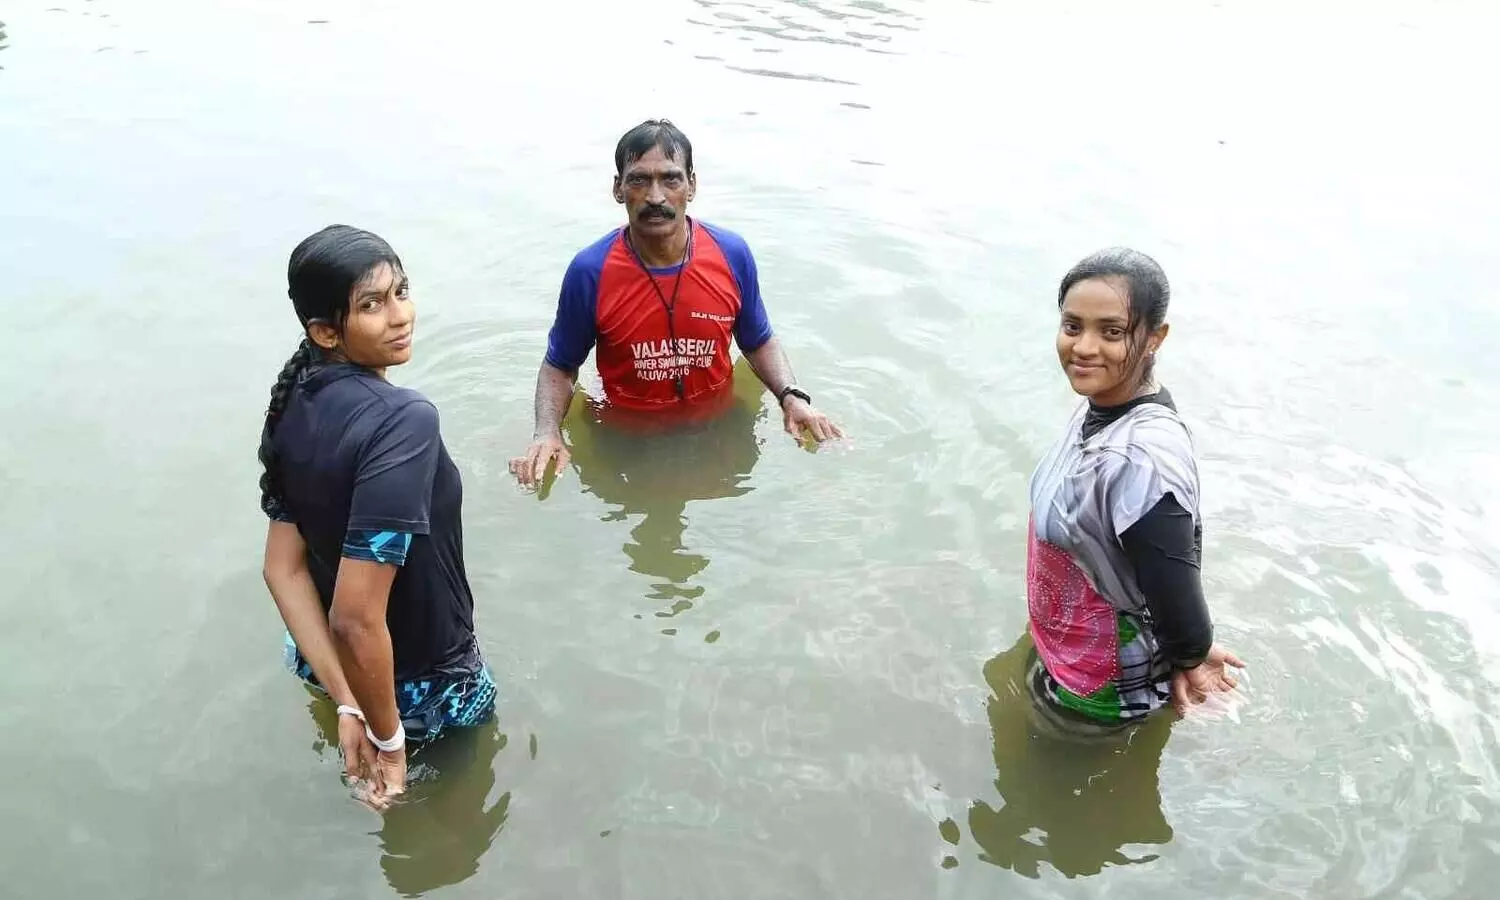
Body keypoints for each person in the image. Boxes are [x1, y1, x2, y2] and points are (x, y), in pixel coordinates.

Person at [258, 225, 497, 808]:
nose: (400, 316)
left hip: (326, 666)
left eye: (401, 292)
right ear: (326, 331)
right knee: (467, 813)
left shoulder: (292, 401)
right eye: (372, 305)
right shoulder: (403, 420)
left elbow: (282, 571)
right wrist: (388, 740)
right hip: (425, 685)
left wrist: (345, 700)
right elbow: (356, 618)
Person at [510, 119, 842, 486]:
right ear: (618, 189)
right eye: (639, 180)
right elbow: (559, 365)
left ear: (691, 186)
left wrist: (791, 396)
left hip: (719, 427)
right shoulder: (591, 271)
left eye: (670, 179)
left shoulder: (731, 255)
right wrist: (546, 433)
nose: (655, 197)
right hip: (625, 437)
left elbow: (758, 339)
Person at [1025, 247, 1245, 733]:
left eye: (1112, 331)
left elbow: (1173, 575)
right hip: (1068, 652)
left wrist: (1191, 650)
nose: (1083, 347)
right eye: (1071, 326)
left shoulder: (1141, 458)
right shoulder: (1105, 404)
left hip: (1103, 693)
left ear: (1154, 337)